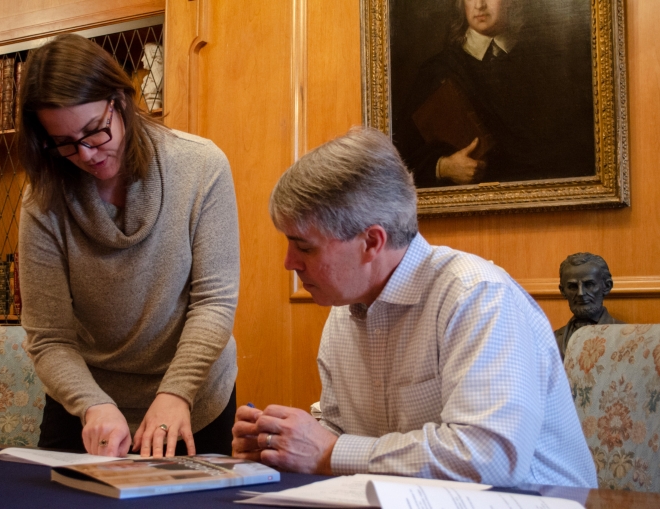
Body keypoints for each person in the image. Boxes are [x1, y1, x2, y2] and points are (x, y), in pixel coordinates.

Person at [232, 127, 597, 488]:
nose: (289, 263)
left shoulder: (478, 295)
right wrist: (278, 442)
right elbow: (342, 431)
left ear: (371, 242)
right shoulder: (344, 311)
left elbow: (489, 458)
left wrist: (331, 452)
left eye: (305, 247)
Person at [17, 34, 240, 458]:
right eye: (64, 143)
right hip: (88, 405)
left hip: (192, 398)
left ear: (120, 100)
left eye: (94, 131)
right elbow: (49, 338)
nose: (85, 154)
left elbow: (214, 302)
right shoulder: (41, 200)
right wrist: (92, 403)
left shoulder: (201, 166)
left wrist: (176, 392)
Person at [395, 0, 594, 187]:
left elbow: (575, 152)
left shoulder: (545, 64)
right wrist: (444, 167)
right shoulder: (436, 71)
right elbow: (401, 157)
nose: (480, 5)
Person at [554, 253, 624, 359]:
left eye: (589, 285)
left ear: (607, 286)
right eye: (572, 287)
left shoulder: (626, 335)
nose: (581, 293)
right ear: (563, 291)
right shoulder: (552, 340)